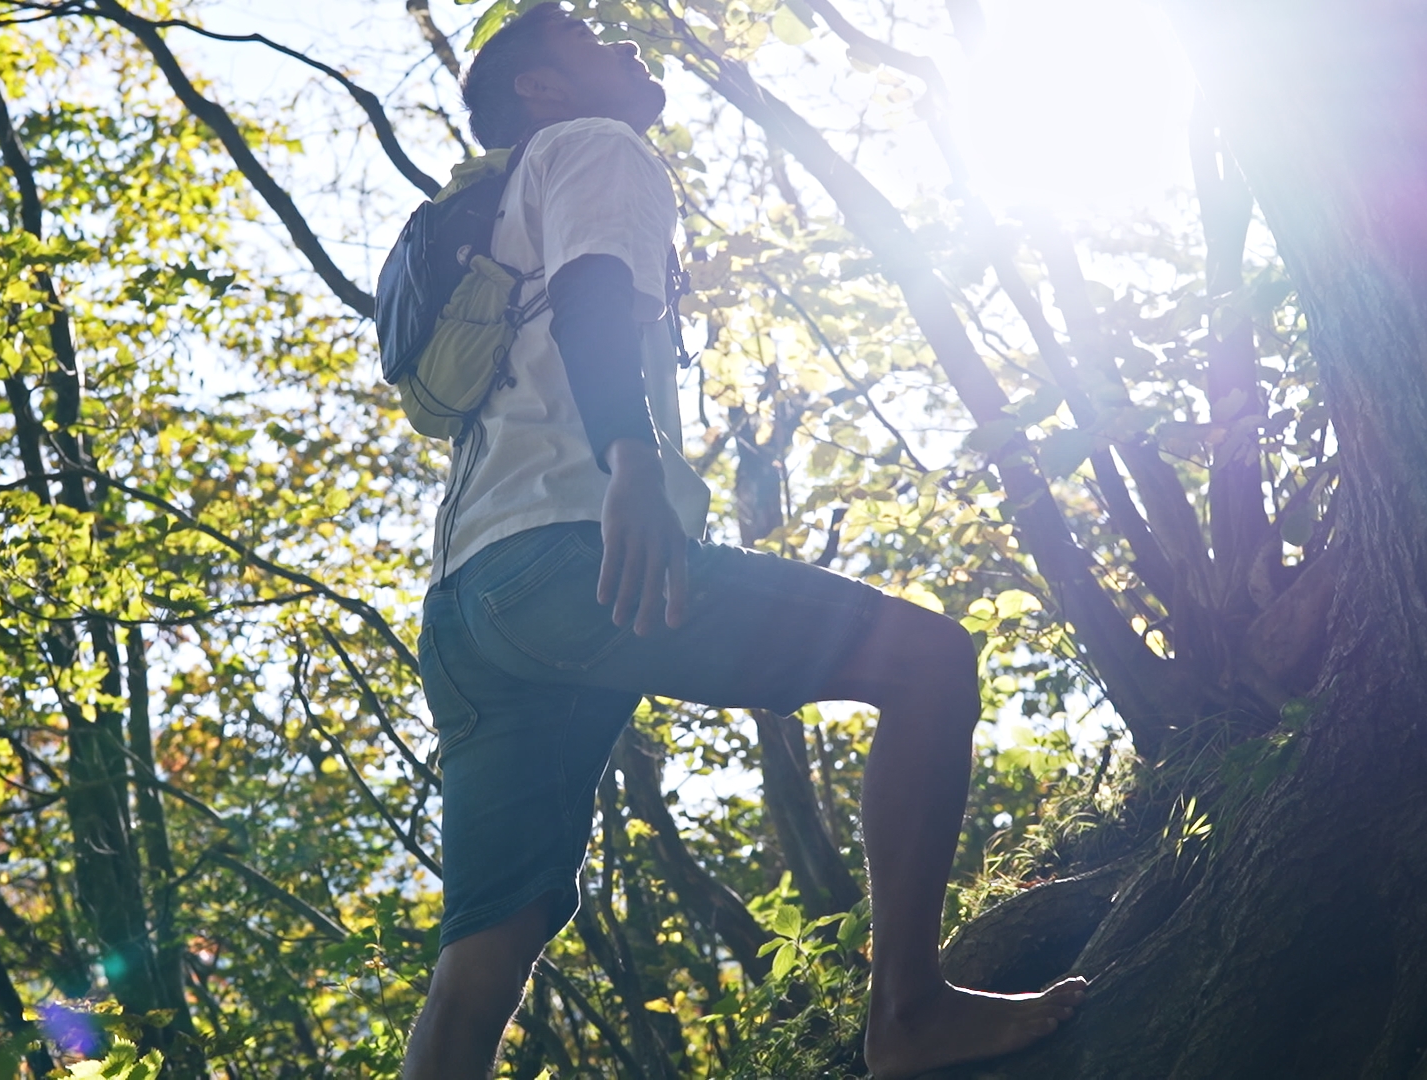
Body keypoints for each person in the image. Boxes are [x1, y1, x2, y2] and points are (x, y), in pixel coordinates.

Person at [403, 6, 1086, 1077]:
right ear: (541, 88)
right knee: (929, 665)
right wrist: (630, 457)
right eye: (587, 36)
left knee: (482, 955)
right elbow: (590, 294)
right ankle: (908, 1013)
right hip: (575, 559)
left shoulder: (499, 219)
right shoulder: (594, 145)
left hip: (469, 611)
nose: (621, 44)